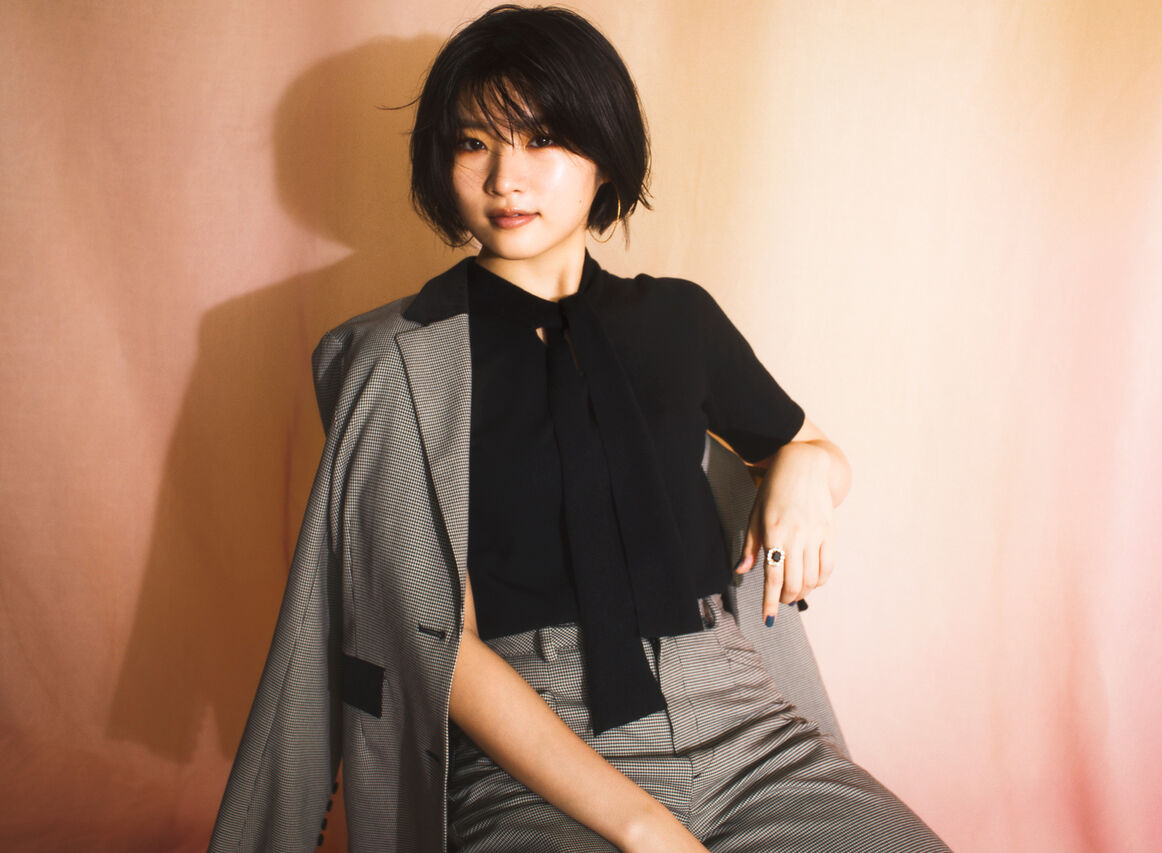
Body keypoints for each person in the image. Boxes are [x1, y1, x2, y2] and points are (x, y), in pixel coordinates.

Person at [209, 5, 950, 852]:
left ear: (604, 153)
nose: (506, 178)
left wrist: (810, 471)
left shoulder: (678, 319)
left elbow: (808, 445)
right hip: (529, 751)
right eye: (474, 142)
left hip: (743, 723)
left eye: (542, 139)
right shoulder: (400, 360)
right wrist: (643, 825)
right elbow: (439, 641)